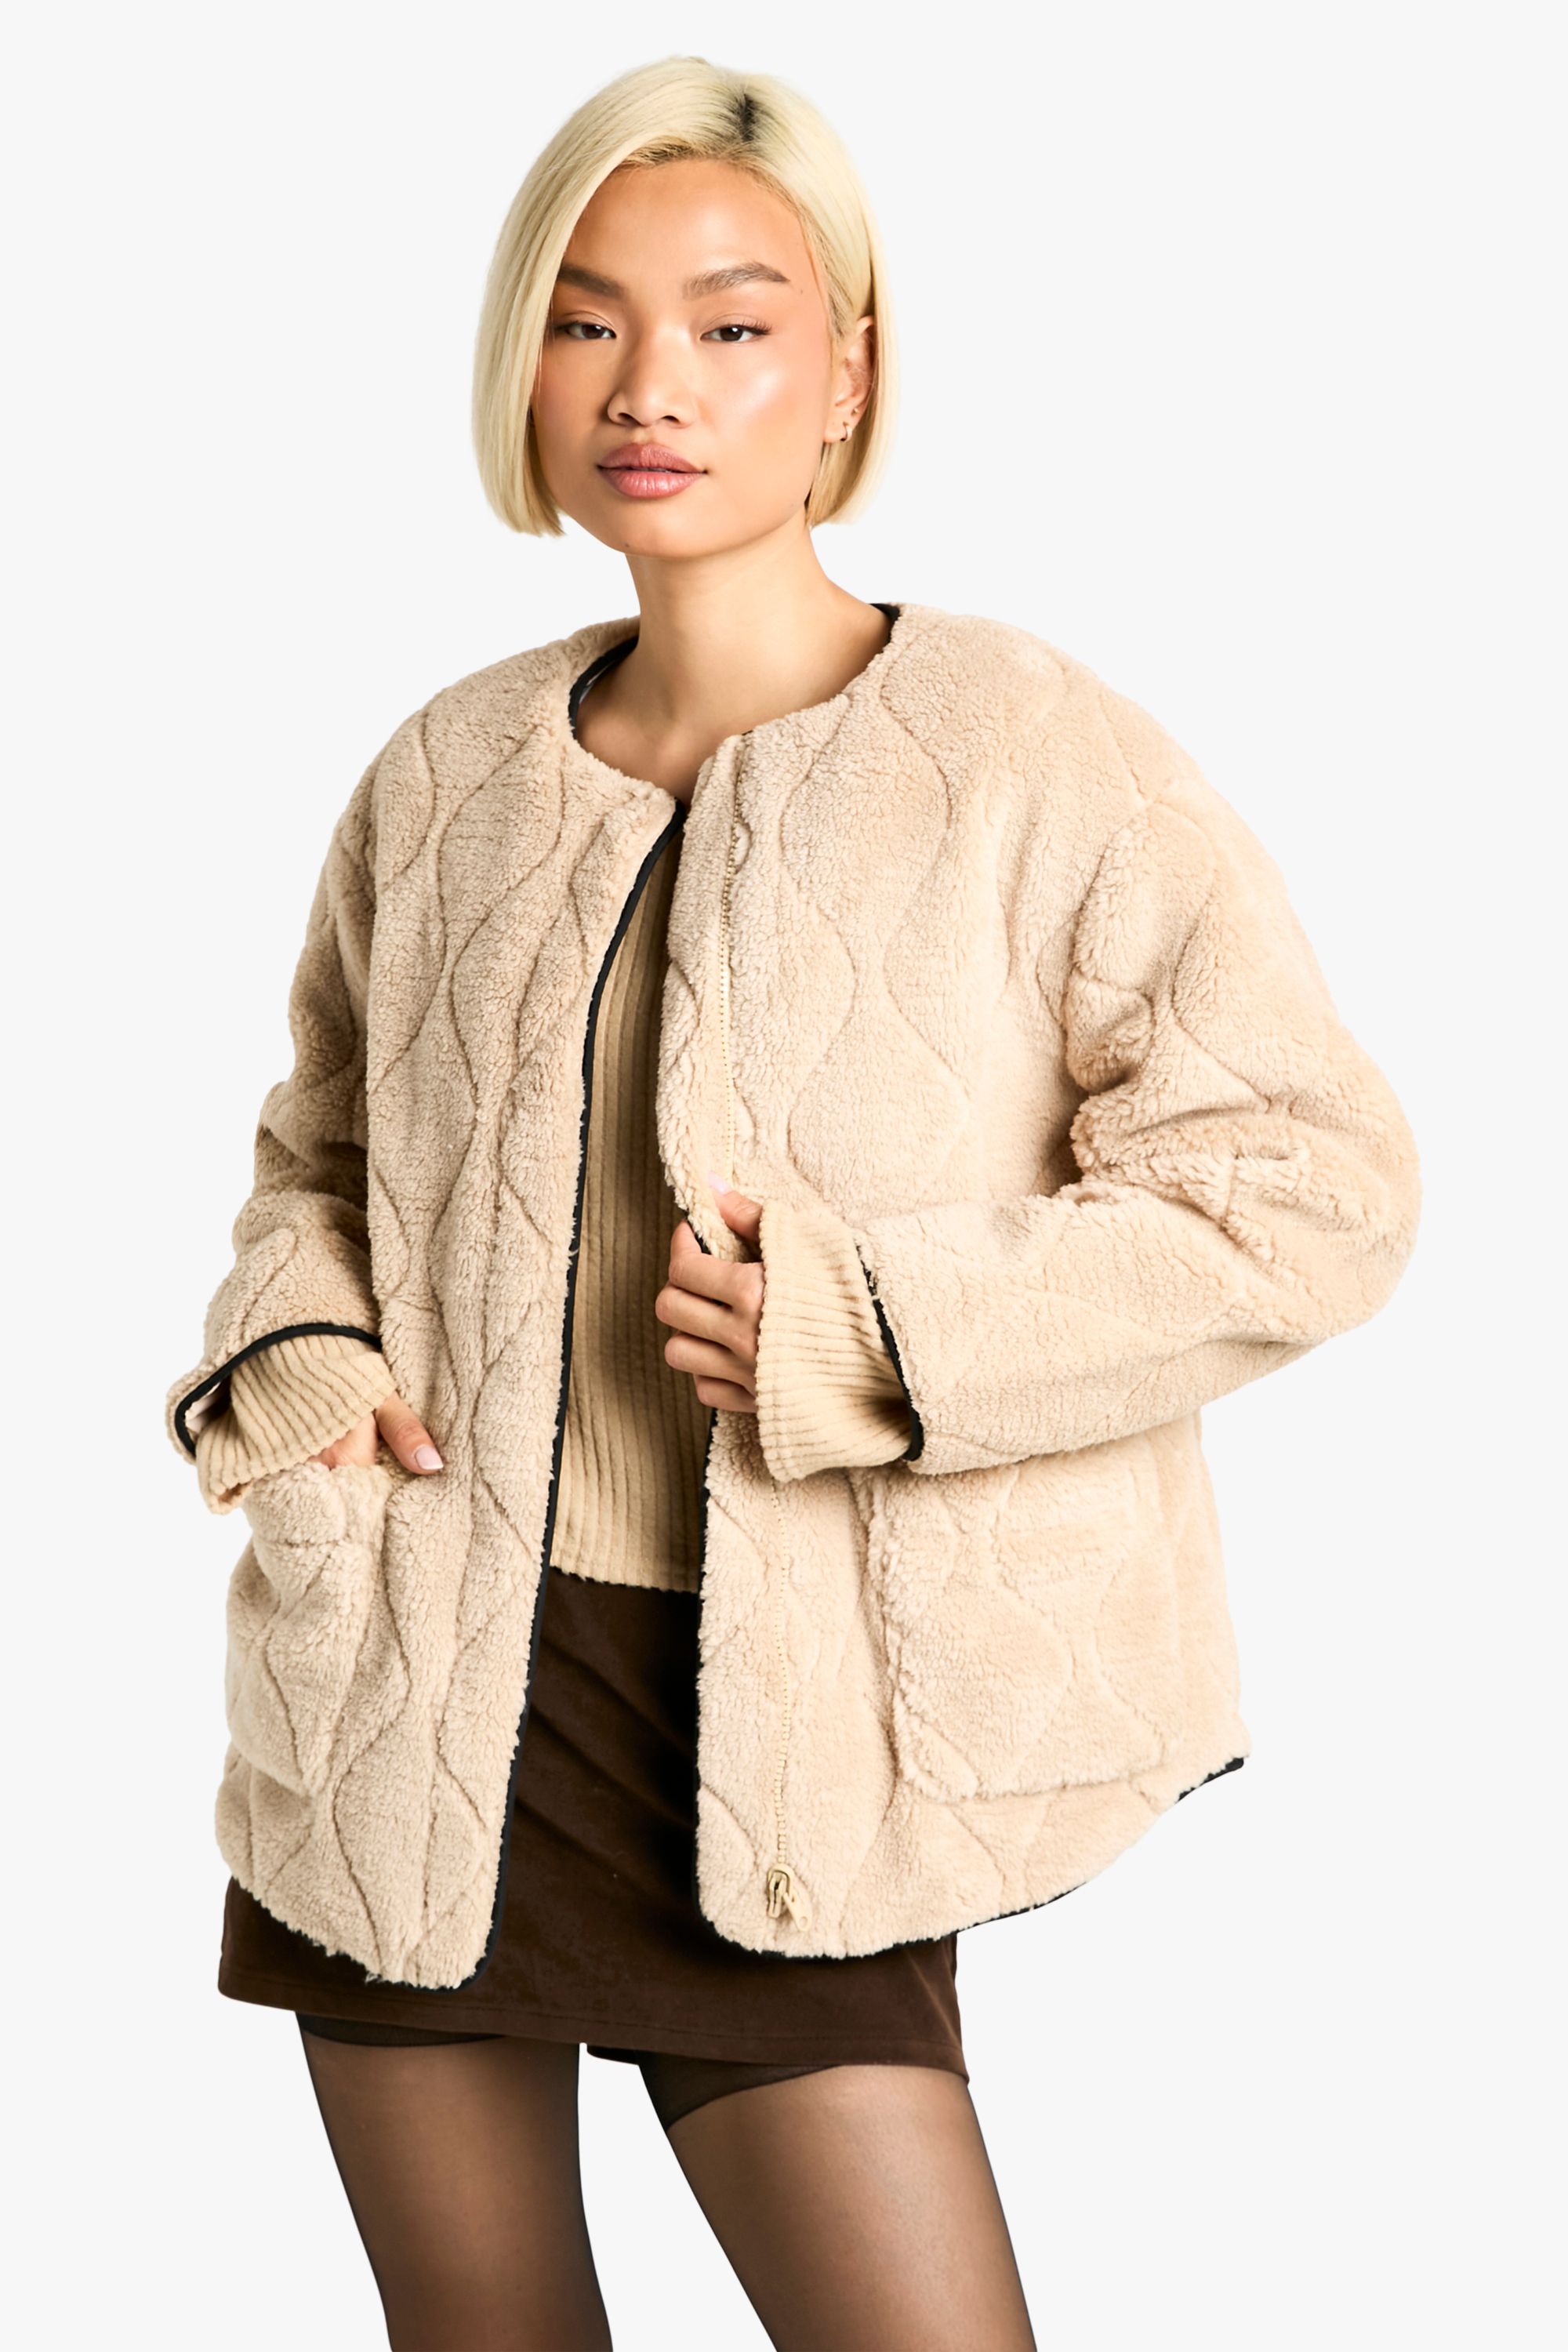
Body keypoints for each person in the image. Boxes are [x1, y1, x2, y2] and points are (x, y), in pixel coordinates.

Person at [162, 53, 1421, 2352]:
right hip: (416, 1692)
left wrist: (881, 1330)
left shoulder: (1029, 751)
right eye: (587, 318)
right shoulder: (444, 774)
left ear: (845, 371)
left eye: (733, 324)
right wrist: (305, 1356)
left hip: (789, 1719)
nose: (649, 386)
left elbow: (1310, 1185)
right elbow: (317, 1151)